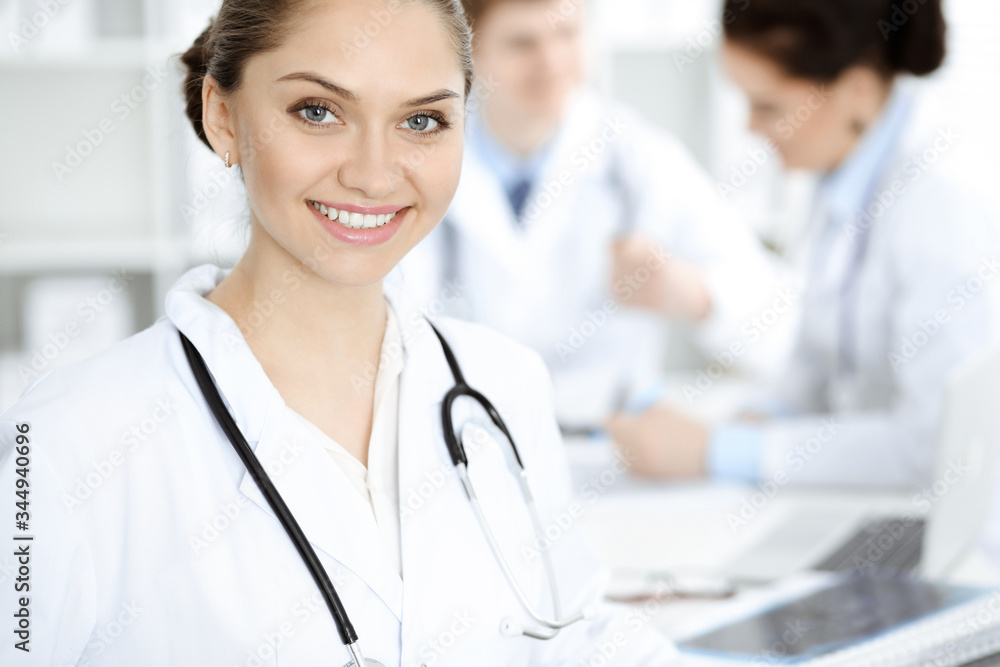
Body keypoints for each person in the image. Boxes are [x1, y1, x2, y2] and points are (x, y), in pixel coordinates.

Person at [0, 1, 680, 664]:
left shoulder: (503, 383)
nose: (374, 175)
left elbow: (571, 634)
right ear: (222, 116)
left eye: (421, 120)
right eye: (318, 112)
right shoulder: (66, 439)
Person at [606, 0, 1000, 487]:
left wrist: (716, 450)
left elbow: (933, 446)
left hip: (939, 519)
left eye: (768, 107)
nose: (749, 127)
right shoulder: (841, 174)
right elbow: (817, 370)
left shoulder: (943, 203)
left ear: (856, 91)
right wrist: (750, 422)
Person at [398, 0, 782, 428]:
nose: (552, 62)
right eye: (522, 43)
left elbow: (777, 320)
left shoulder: (640, 159)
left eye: (567, 34)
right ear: (471, 53)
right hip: (470, 438)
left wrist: (694, 294)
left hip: (610, 445)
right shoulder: (423, 164)